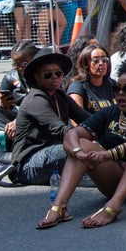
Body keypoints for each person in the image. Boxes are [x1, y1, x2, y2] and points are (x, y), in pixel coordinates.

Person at [36, 57, 126, 229]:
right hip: (118, 177)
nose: (120, 93)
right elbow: (72, 135)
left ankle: (113, 206)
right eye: (116, 89)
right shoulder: (110, 112)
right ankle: (59, 207)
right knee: (82, 142)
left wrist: (110, 154)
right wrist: (78, 153)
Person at [10, 49, 90, 185]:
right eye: (48, 74)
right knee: (86, 147)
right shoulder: (35, 99)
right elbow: (61, 130)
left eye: (58, 73)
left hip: (55, 152)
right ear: (36, 77)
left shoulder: (60, 96)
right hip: (28, 164)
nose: (55, 77)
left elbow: (89, 120)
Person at [66, 44, 116, 114]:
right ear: (86, 64)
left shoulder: (113, 84)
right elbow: (76, 118)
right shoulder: (77, 87)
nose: (101, 63)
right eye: (96, 60)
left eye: (104, 59)